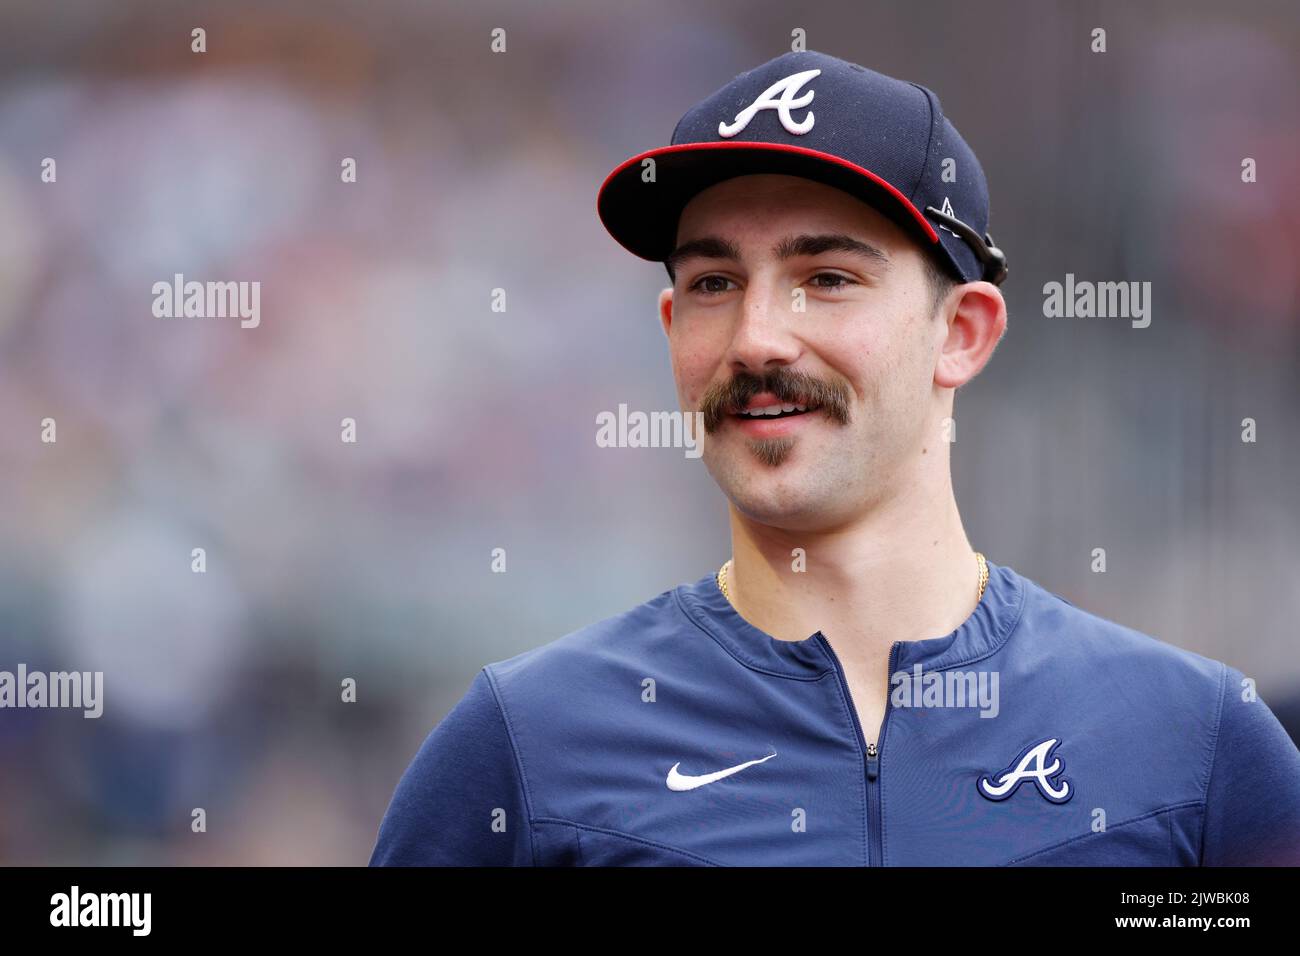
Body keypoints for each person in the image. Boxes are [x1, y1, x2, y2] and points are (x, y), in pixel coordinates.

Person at [369, 49, 1300, 866]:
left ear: (963, 332)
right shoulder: (527, 748)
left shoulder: (1194, 746)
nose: (757, 338)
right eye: (714, 283)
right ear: (670, 330)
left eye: (827, 278)